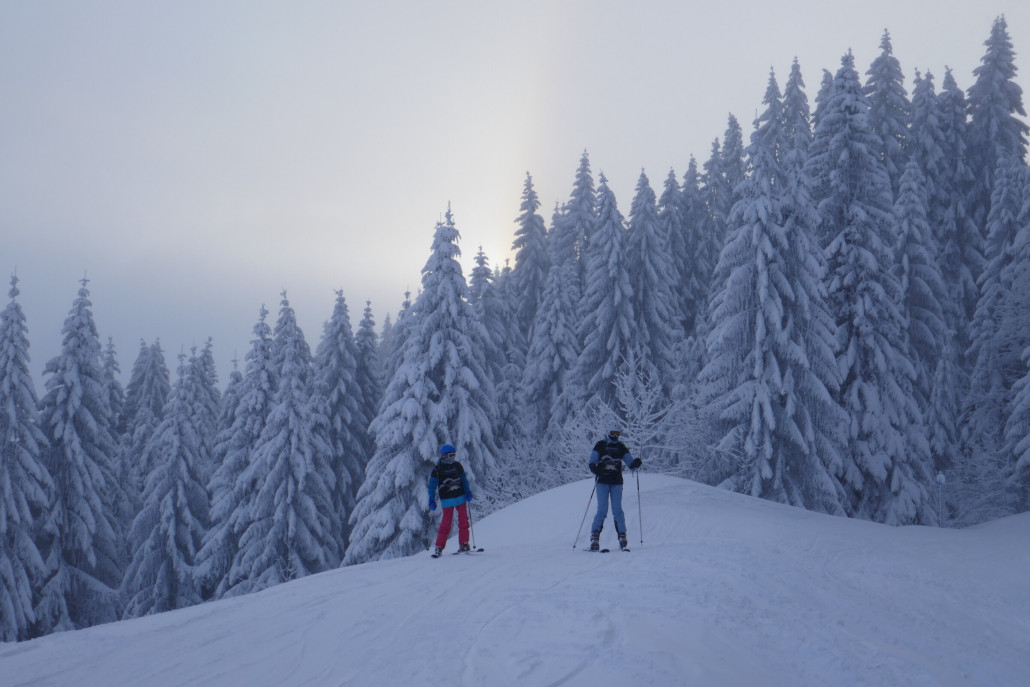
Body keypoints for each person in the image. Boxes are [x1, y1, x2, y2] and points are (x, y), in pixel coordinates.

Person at [588, 422, 641, 551]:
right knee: (602, 510)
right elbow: (592, 461)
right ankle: (594, 538)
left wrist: (635, 463)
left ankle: (622, 537)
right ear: (608, 433)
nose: (615, 436)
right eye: (613, 433)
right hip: (602, 482)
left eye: (617, 434)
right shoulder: (601, 445)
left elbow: (630, 462)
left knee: (617, 510)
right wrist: (595, 469)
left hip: (616, 482)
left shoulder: (621, 447)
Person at [427, 443, 473, 557]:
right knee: (446, 524)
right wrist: (431, 499)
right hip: (447, 500)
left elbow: (464, 479)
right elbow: (432, 485)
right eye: (450, 455)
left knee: (463, 521)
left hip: (461, 497)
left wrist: (467, 491)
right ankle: (439, 547)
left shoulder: (457, 465)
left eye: (454, 455)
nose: (453, 457)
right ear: (444, 456)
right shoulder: (438, 469)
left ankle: (464, 543)